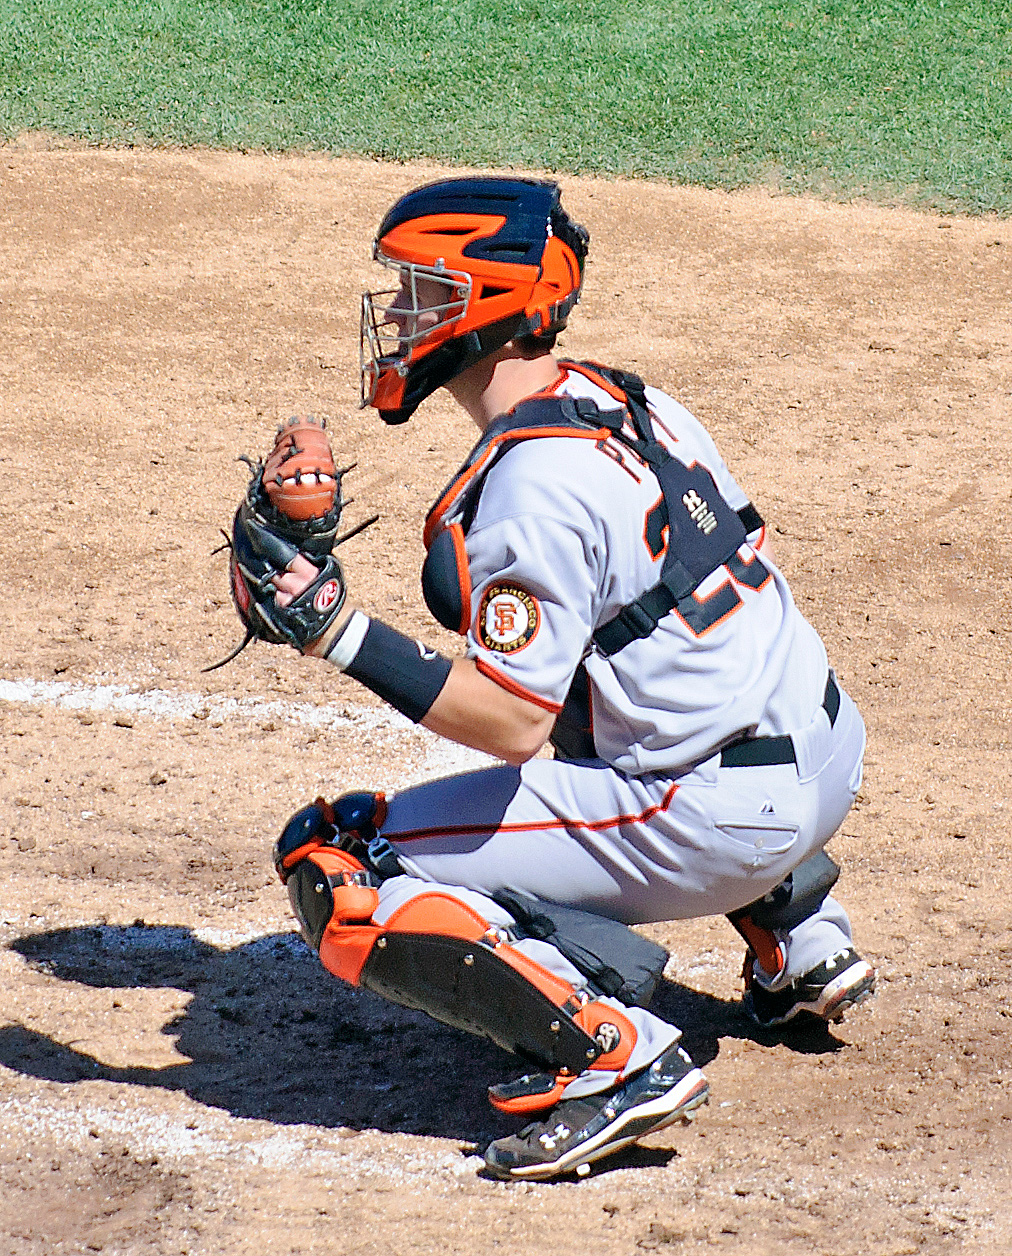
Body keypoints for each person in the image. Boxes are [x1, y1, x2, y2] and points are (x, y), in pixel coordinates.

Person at [265, 176, 875, 1181]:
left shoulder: (532, 484)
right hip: (823, 753)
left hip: (720, 817)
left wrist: (335, 631)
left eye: (421, 291)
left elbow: (509, 720)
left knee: (343, 867)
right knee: (625, 669)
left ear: (483, 305)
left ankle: (615, 1060)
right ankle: (798, 936)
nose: (399, 315)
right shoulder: (626, 395)